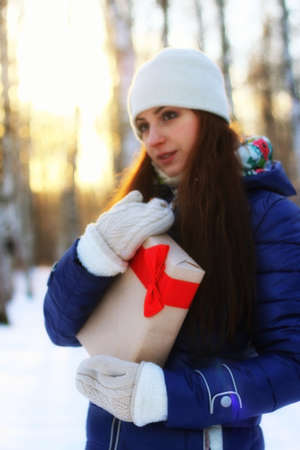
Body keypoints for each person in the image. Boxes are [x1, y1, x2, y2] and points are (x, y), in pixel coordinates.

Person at [43, 48, 300, 450]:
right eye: (142, 125)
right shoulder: (141, 209)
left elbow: (291, 365)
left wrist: (161, 396)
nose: (153, 138)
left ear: (209, 116)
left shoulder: (267, 218)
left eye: (168, 115)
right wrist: (95, 253)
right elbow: (60, 329)